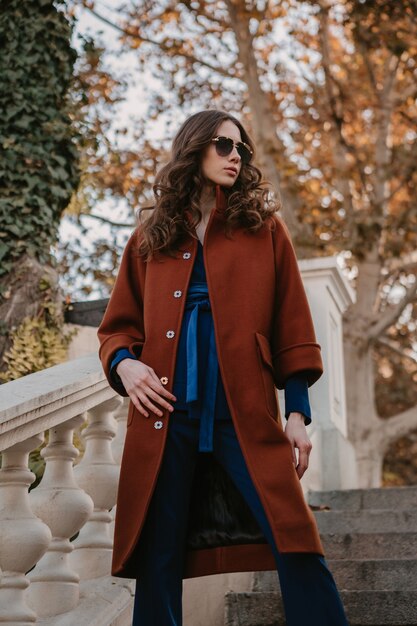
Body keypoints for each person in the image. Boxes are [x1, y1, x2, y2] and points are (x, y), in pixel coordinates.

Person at [97, 109, 349, 625]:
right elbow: (117, 328)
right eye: (223, 144)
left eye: (241, 149)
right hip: (166, 415)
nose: (235, 156)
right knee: (159, 556)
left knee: (295, 538)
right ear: (194, 148)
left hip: (245, 412)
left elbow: (293, 331)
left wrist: (298, 415)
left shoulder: (264, 230)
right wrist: (126, 367)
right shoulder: (151, 237)